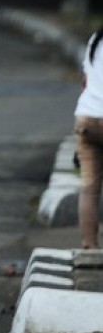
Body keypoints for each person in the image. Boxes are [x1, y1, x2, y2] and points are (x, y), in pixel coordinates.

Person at [74, 26, 103, 248]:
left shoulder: (95, 40)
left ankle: (89, 246)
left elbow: (86, 82)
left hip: (86, 118)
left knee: (89, 187)